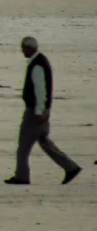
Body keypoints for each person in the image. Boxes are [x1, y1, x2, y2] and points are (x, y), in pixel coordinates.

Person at [6, 37, 82, 185]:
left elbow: (40, 91)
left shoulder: (37, 65)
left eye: (24, 48)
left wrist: (39, 111)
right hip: (41, 111)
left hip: (35, 112)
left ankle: (22, 176)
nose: (22, 51)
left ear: (29, 48)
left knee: (23, 146)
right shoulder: (40, 62)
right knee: (45, 142)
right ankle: (70, 167)